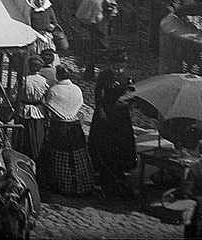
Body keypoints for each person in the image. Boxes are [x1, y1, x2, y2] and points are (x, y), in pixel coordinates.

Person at [38, 66, 96, 195]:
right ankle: (82, 184)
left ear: (57, 76)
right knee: (78, 155)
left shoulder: (54, 90)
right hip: (75, 126)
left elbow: (49, 106)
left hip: (59, 127)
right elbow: (79, 104)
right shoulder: (77, 89)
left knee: (60, 156)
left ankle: (64, 185)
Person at [91, 50, 138, 198]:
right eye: (116, 66)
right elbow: (99, 94)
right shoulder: (104, 76)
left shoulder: (127, 77)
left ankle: (121, 171)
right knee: (104, 142)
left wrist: (127, 99)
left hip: (121, 115)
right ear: (111, 65)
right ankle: (104, 171)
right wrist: (101, 111)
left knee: (122, 142)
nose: (118, 69)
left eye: (121, 66)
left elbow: (132, 95)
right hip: (105, 113)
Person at [74, 0, 119, 72]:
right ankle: (104, 73)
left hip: (96, 22)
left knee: (93, 47)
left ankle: (90, 71)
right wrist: (110, 8)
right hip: (99, 24)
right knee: (101, 47)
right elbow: (95, 5)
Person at [18, 56, 49, 158]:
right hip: (38, 111)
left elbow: (14, 95)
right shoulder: (44, 81)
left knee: (24, 136)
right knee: (37, 135)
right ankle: (36, 155)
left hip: (25, 110)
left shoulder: (24, 80)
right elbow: (46, 95)